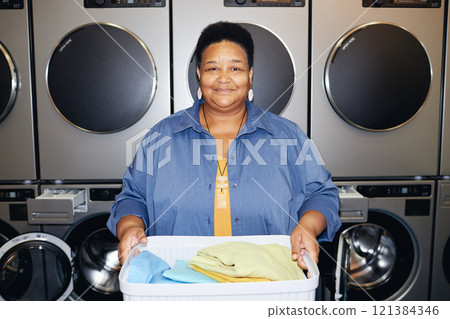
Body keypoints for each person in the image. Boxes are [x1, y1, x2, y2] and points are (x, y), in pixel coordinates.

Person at [107, 21, 341, 268]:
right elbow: (132, 198)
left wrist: (308, 227)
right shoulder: (161, 136)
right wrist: (130, 227)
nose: (224, 79)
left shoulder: (288, 136)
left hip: (268, 283)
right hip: (178, 285)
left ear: (250, 75)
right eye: (212, 68)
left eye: (236, 68)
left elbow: (322, 194)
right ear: (199, 74)